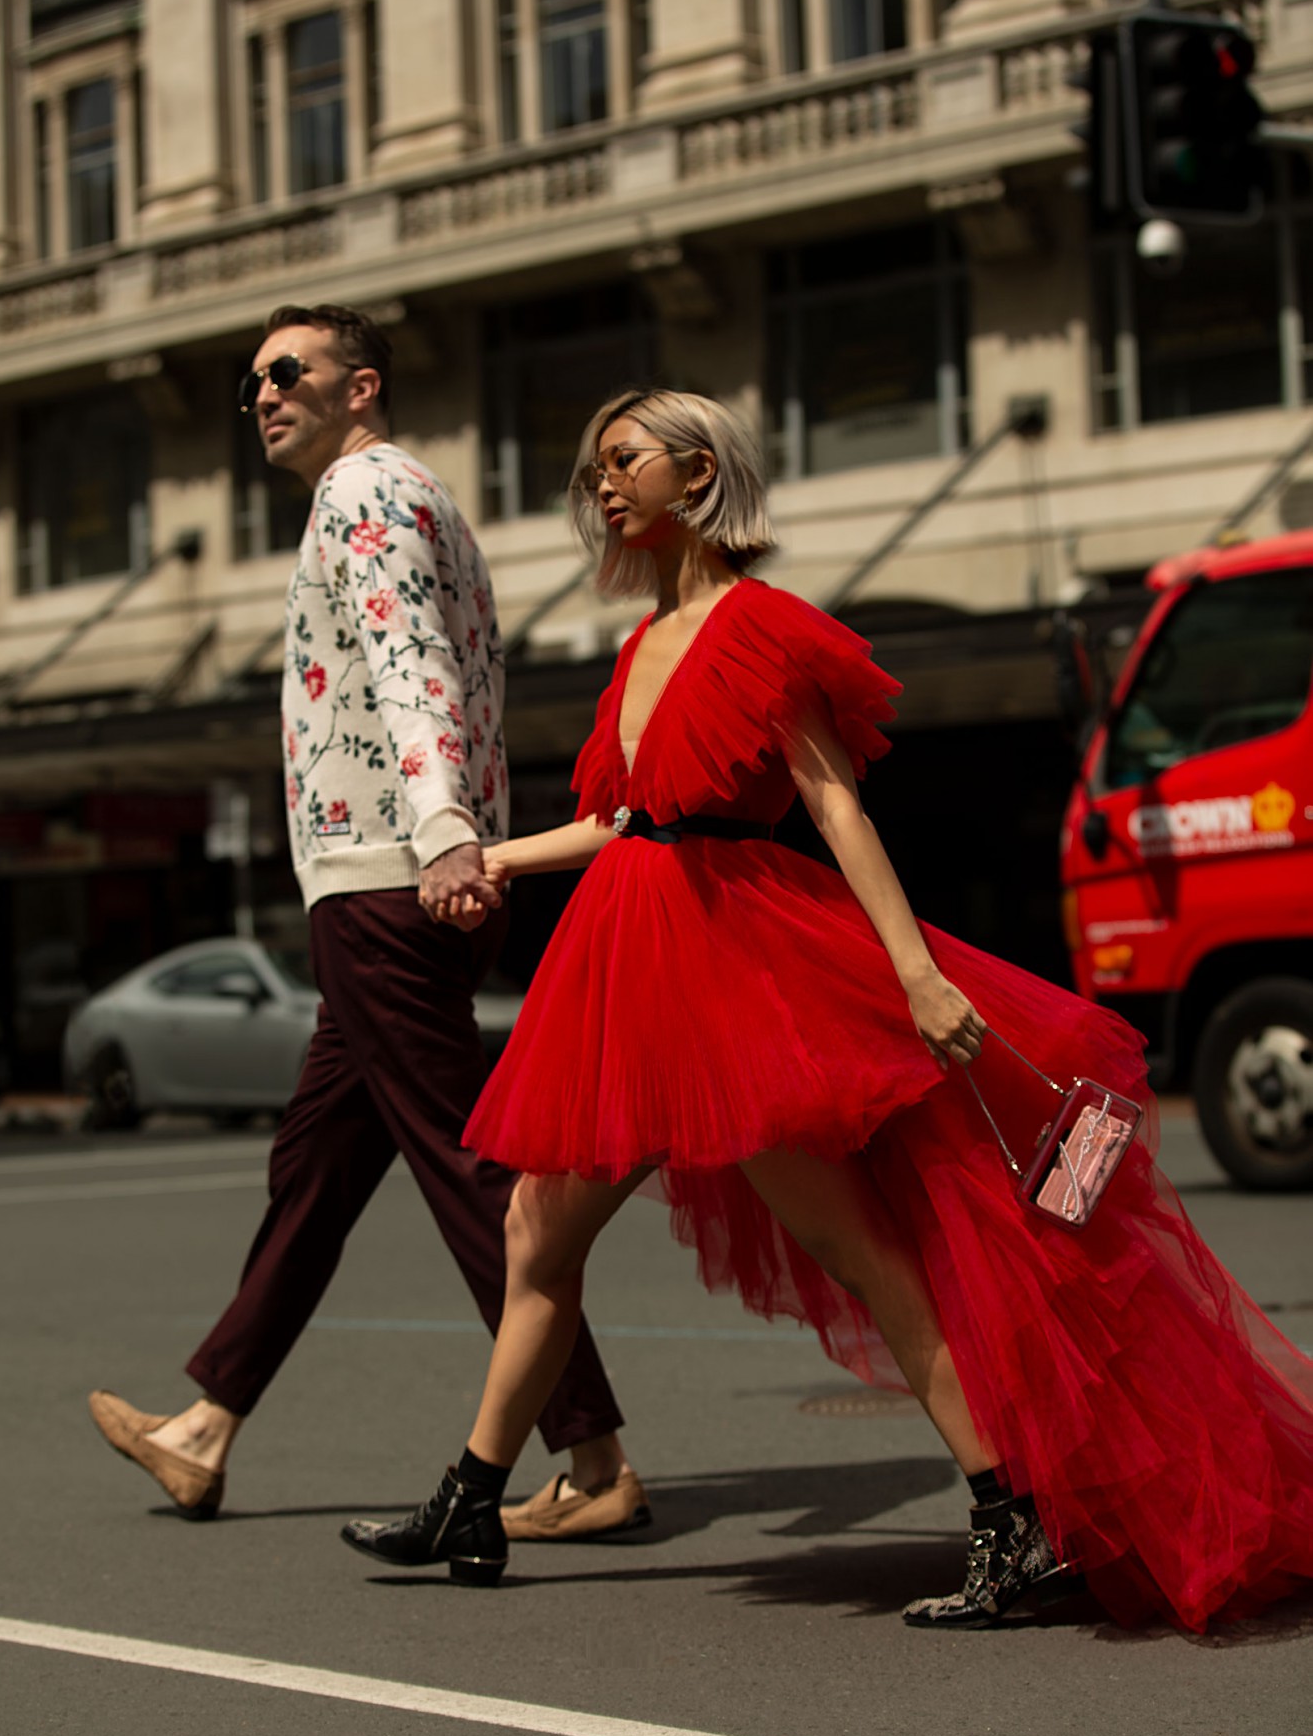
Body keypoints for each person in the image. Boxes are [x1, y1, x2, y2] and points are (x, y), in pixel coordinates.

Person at [342, 387, 1313, 1629]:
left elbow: (834, 802)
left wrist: (915, 970)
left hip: (733, 976)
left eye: (621, 460)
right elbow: (623, 822)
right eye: (593, 467)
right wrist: (482, 856)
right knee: (539, 1229)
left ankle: (1004, 1510)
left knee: (859, 1250)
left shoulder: (761, 628)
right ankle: (470, 1500)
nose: (601, 483)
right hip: (631, 968)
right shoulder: (639, 649)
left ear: (696, 477)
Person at [89, 306, 647, 1543]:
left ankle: (595, 1455)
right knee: (316, 1165)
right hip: (408, 872)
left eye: (289, 371)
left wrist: (444, 827)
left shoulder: (362, 490)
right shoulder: (420, 499)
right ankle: (206, 1425)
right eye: (251, 385)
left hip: (389, 875)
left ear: (362, 386)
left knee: (470, 1170)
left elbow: (411, 665)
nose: (264, 394)